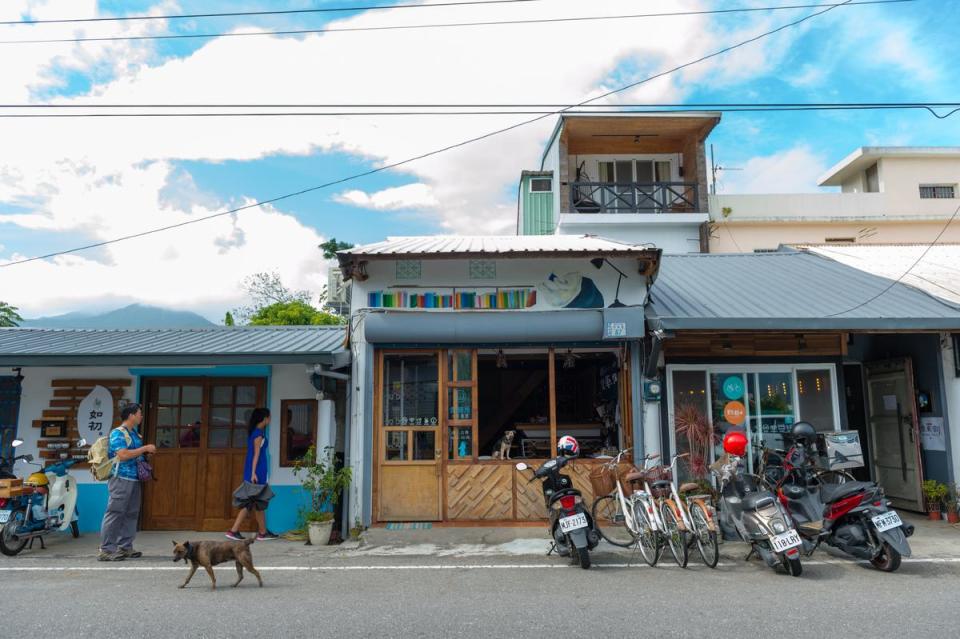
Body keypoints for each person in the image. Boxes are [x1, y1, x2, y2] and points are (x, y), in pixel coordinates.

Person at [98, 403, 155, 561]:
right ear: (131, 415)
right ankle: (106, 550)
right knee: (115, 512)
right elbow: (122, 455)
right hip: (120, 478)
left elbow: (134, 455)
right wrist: (144, 449)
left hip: (134, 478)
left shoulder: (134, 434)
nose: (141, 416)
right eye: (139, 413)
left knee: (131, 513)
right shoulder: (118, 433)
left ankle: (125, 547)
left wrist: (146, 454)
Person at [226, 408, 278, 541]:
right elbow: (256, 454)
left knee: (258, 502)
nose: (270, 419)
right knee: (250, 502)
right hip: (257, 471)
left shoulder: (255, 432)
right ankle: (233, 531)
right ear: (264, 418)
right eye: (269, 417)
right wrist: (254, 473)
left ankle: (262, 532)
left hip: (255, 470)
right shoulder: (258, 434)